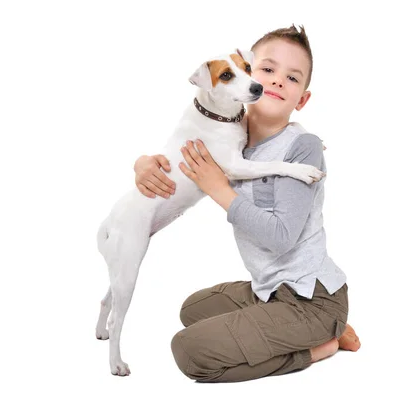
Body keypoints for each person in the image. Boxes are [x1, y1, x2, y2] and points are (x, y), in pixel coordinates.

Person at [134, 25, 360, 383]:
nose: (278, 81)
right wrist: (144, 164)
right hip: (269, 289)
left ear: (301, 99)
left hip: (310, 297)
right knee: (192, 310)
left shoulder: (302, 148)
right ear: (242, 76)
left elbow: (281, 237)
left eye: (292, 77)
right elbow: (180, 154)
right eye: (267, 69)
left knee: (190, 351)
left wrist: (219, 187)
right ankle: (295, 325)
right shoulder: (231, 135)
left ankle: (320, 342)